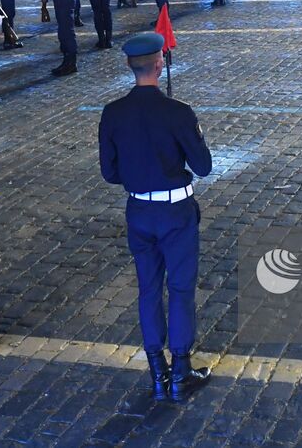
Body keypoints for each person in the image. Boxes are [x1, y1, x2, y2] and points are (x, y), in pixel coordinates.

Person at [98, 32, 213, 402]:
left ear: (131, 67)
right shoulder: (178, 112)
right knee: (179, 288)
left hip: (139, 210)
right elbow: (204, 166)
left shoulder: (112, 113)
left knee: (149, 288)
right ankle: (180, 369)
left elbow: (110, 172)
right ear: (160, 64)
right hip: (176, 211)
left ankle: (156, 369)